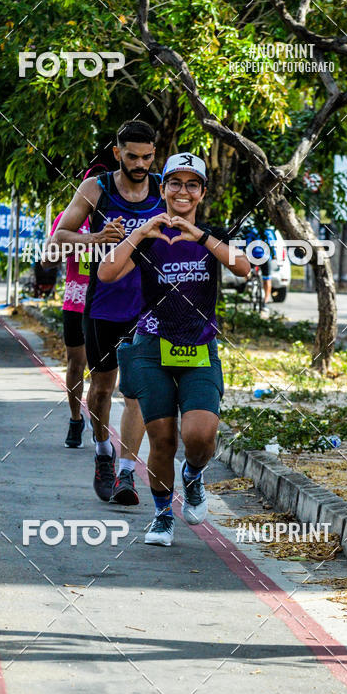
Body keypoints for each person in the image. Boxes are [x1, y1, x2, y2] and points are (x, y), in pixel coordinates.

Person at [98, 152, 250, 546]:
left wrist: (198, 235)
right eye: (175, 183)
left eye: (192, 184)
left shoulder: (213, 236)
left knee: (200, 435)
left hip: (199, 348)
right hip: (152, 348)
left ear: (201, 193)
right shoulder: (147, 240)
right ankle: (163, 515)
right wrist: (138, 233)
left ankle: (194, 475)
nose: (183, 191)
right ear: (162, 188)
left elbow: (243, 268)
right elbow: (106, 272)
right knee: (162, 439)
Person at [44, 121, 165, 505]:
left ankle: (127, 474)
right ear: (117, 153)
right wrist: (94, 238)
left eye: (147, 156)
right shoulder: (97, 188)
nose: (140, 164)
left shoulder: (164, 188)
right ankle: (102, 453)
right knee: (101, 390)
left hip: (148, 306)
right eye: (132, 156)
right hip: (103, 305)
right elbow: (61, 235)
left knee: (137, 392)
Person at [52, 163, 107, 449]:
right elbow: (49, 257)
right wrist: (79, 242)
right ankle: (76, 419)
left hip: (110, 302)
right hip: (76, 300)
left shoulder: (123, 216)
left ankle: (102, 432)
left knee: (104, 374)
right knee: (76, 364)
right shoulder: (69, 217)